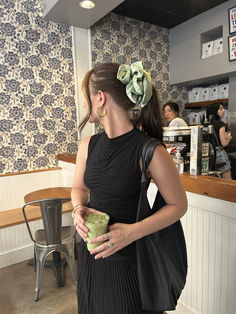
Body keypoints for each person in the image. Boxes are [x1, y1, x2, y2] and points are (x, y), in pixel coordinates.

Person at [71, 61, 187, 314]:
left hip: (128, 265)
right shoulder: (87, 146)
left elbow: (179, 205)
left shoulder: (150, 150)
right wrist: (78, 208)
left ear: (100, 98)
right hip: (91, 259)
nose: (83, 104)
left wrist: (133, 232)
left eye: (85, 97)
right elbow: (78, 189)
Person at [206, 102, 232, 179]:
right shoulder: (220, 124)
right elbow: (224, 143)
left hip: (209, 154)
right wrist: (229, 138)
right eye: (221, 109)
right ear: (215, 111)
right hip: (219, 154)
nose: (224, 110)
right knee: (227, 177)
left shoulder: (206, 124)